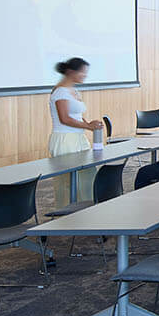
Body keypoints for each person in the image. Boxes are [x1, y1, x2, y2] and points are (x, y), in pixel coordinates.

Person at [47, 57, 102, 207]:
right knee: (67, 181)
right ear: (71, 72)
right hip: (65, 139)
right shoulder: (60, 92)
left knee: (86, 176)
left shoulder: (74, 90)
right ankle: (66, 212)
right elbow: (64, 118)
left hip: (78, 138)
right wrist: (88, 127)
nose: (85, 75)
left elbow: (77, 116)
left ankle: (86, 209)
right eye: (82, 72)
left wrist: (89, 124)